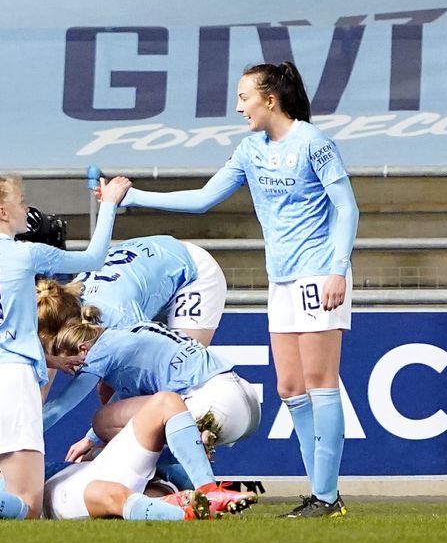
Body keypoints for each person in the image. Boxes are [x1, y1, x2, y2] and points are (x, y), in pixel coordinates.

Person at [111, 61, 358, 518]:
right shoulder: (249, 150)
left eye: (244, 97)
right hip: (281, 280)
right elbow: (203, 198)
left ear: (270, 98)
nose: (238, 106)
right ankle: (321, 495)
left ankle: (327, 497)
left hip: (317, 274)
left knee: (321, 383)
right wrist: (133, 196)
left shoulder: (314, 143)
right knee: (289, 387)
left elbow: (347, 208)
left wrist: (337, 270)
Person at [0, 174, 131, 520]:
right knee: (28, 504)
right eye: (21, 202)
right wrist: (108, 205)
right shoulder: (24, 253)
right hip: (9, 377)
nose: (25, 209)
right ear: (2, 211)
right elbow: (94, 258)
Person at [41, 319, 260, 467]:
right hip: (245, 402)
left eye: (72, 367)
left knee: (102, 421)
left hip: (212, 406)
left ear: (83, 349)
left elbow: (61, 406)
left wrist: (18, 440)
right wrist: (89, 440)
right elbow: (129, 405)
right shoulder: (133, 329)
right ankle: (188, 453)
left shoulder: (98, 353)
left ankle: (187, 448)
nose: (76, 372)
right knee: (121, 424)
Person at [43, 391, 257, 520]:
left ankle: (208, 491)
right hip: (58, 493)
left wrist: (93, 450)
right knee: (110, 493)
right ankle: (186, 510)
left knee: (165, 402)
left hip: (88, 468)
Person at [37, 235, 227, 350]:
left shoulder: (118, 315)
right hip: (147, 268)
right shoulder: (62, 299)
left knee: (177, 372)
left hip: (193, 271)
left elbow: (165, 361)